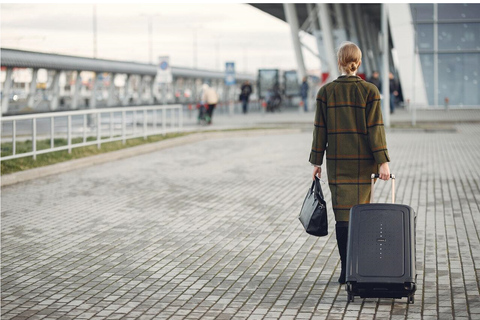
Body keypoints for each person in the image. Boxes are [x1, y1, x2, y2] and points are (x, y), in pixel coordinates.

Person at [309, 41, 391, 284]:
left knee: (342, 217)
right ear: (359, 62)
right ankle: (358, 268)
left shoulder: (325, 92)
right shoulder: (370, 91)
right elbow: (376, 130)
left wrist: (317, 162)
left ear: (339, 62)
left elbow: (319, 131)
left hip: (337, 163)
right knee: (361, 215)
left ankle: (346, 269)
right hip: (364, 164)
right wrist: (383, 162)